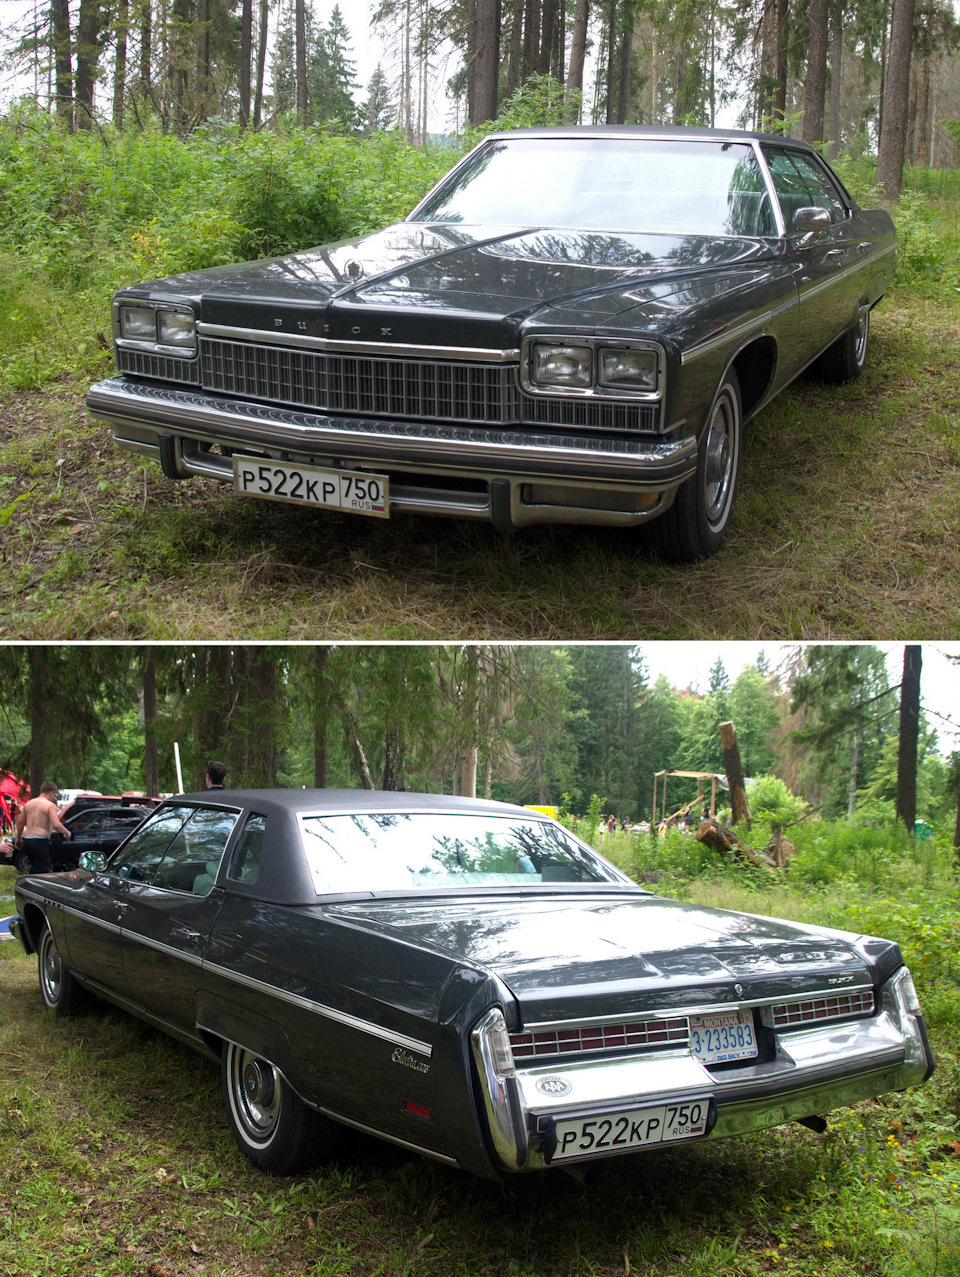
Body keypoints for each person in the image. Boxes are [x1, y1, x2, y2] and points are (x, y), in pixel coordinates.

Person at [14, 782, 71, 874]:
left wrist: (18, 838)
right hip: (40, 840)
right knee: (43, 868)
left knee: (33, 867)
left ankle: (31, 886)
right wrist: (67, 832)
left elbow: (20, 822)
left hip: (27, 839)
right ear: (51, 793)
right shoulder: (49, 805)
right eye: (54, 795)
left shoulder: (28, 804)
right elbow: (56, 824)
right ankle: (39, 887)